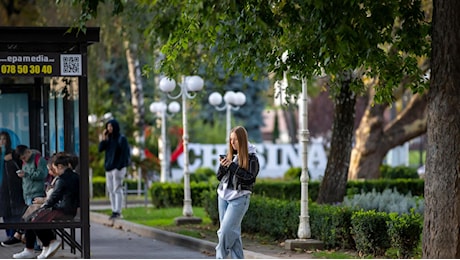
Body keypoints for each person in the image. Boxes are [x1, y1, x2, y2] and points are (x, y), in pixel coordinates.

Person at [13, 152, 79, 259]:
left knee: (35, 220)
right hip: (67, 208)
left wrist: (44, 207)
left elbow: (54, 198)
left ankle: (48, 243)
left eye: (53, 168)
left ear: (60, 166)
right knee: (32, 218)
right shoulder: (73, 176)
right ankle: (38, 247)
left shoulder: (62, 179)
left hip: (63, 210)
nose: (52, 171)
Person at [215, 126, 260, 259]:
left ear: (242, 140)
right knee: (232, 234)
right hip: (223, 197)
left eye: (235, 139)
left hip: (239, 198)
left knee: (224, 232)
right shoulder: (231, 156)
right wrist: (224, 166)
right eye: (231, 140)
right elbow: (219, 177)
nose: (232, 142)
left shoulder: (252, 158)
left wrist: (232, 166)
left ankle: (220, 257)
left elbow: (250, 178)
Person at [98, 118, 131, 220]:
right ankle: (114, 210)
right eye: (108, 126)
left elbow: (125, 154)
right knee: (111, 190)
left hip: (118, 168)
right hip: (109, 168)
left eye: (111, 126)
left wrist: (119, 166)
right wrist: (103, 138)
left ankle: (118, 211)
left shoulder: (121, 139)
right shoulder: (108, 139)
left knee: (117, 189)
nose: (109, 128)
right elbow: (100, 149)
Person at [0, 131, 26, 247]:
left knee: (16, 212)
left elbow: (21, 165)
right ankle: (9, 235)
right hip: (2, 188)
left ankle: (16, 235)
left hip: (15, 186)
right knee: (5, 212)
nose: (2, 142)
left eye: (4, 139)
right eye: (0, 139)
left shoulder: (13, 154)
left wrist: (13, 158)